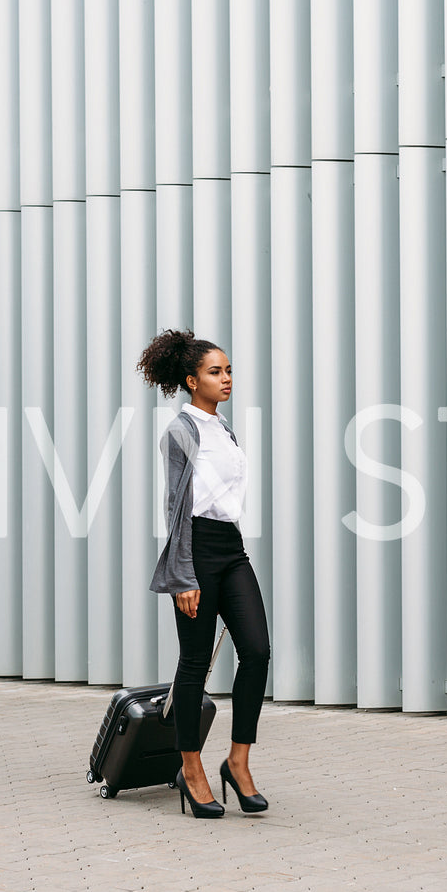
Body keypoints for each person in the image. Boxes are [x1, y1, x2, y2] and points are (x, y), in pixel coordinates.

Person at [138, 329, 271, 819]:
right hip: (195, 550)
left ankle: (237, 762)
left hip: (231, 548)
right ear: (193, 380)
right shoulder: (180, 432)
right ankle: (190, 769)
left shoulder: (224, 430)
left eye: (229, 369)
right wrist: (182, 575)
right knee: (195, 663)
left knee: (256, 651)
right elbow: (176, 509)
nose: (227, 378)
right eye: (216, 372)